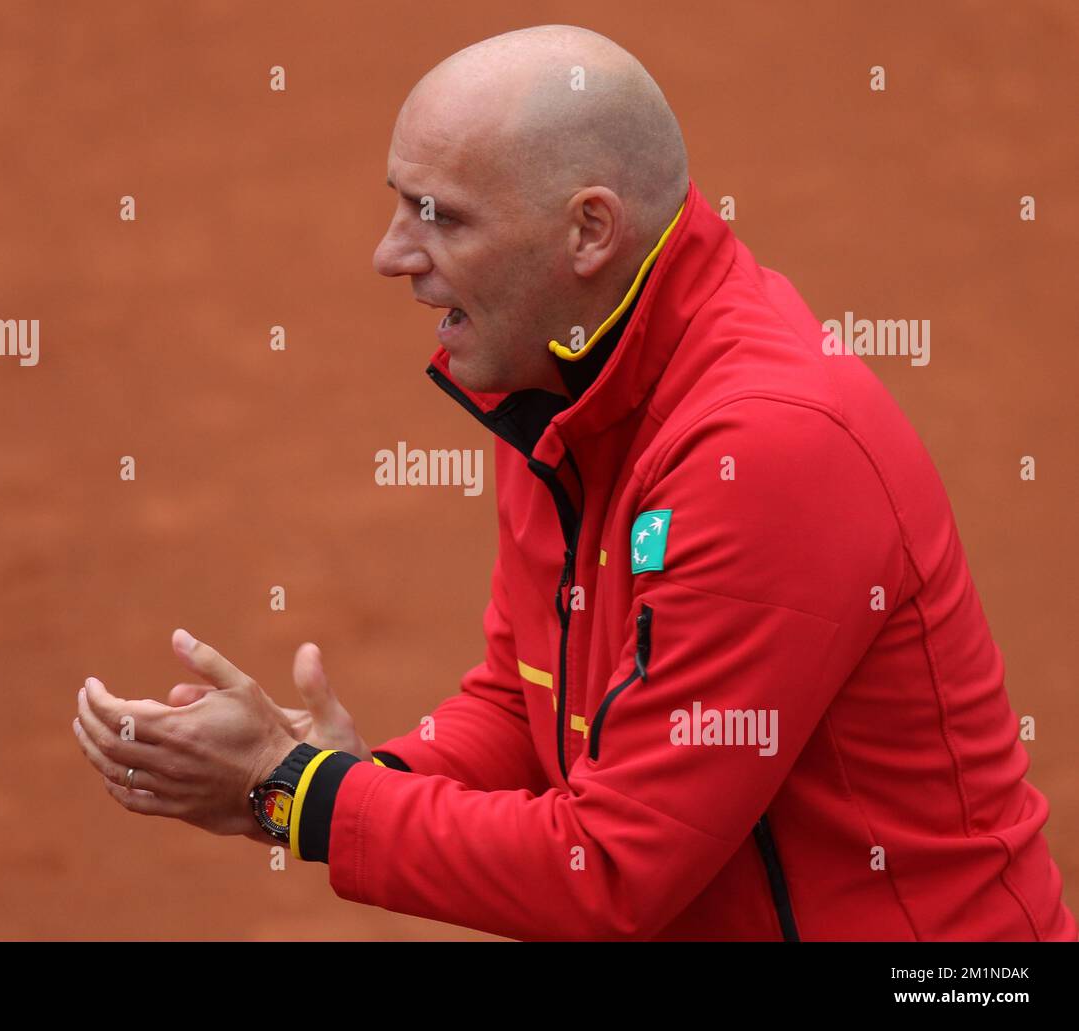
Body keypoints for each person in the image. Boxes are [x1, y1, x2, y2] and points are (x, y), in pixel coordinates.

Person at [72, 24, 1075, 941]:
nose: (391, 255)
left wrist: (293, 793)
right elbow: (527, 702)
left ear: (588, 232)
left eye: (440, 218)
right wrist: (351, 780)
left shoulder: (767, 448)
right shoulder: (565, 376)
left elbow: (612, 865)